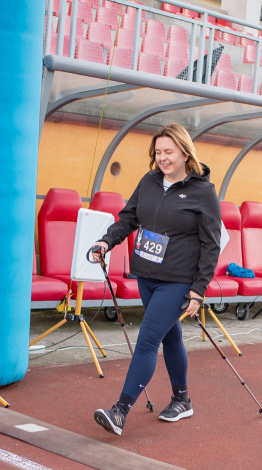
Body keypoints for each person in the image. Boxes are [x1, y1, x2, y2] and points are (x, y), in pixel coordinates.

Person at [91, 122, 222, 435]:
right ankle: (182, 400)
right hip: (146, 275)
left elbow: (212, 244)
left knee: (147, 340)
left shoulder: (202, 192)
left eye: (169, 152)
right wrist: (106, 241)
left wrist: (198, 291)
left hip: (177, 281)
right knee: (169, 335)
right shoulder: (149, 181)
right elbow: (129, 218)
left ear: (184, 152)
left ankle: (120, 410)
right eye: (158, 152)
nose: (163, 158)